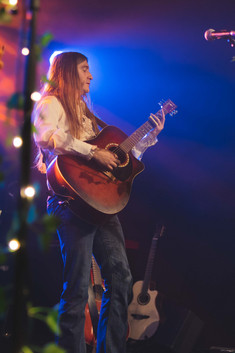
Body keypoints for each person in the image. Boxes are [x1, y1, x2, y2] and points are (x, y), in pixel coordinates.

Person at [33, 51, 165, 353]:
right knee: (78, 287)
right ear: (67, 72)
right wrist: (94, 153)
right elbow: (46, 137)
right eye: (84, 69)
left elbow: (117, 160)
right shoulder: (49, 104)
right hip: (71, 203)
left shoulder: (87, 114)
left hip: (102, 205)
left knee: (121, 280)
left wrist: (146, 140)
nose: (90, 76)